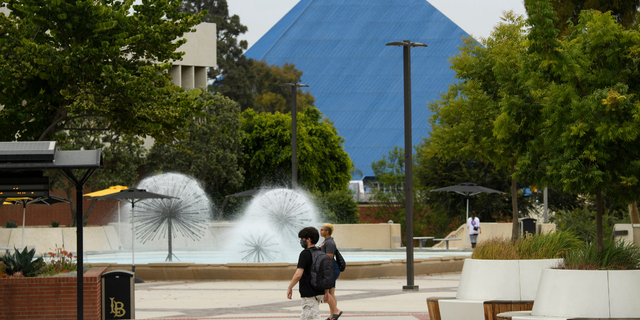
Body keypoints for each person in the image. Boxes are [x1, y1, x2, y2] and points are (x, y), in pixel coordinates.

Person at [287, 227, 335, 320]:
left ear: (308, 239)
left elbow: (298, 274)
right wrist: (326, 291)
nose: (301, 241)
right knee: (307, 316)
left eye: (302, 239)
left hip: (309, 292)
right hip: (319, 291)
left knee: (312, 316)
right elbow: (324, 273)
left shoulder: (305, 254)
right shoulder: (320, 252)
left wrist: (290, 287)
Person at [319, 223, 342, 320]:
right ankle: (332, 316)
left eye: (322, 229)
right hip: (329, 269)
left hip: (330, 269)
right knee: (331, 293)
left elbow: (330, 256)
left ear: (327, 231)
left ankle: (336, 311)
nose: (321, 231)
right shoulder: (326, 241)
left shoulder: (329, 243)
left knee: (326, 292)